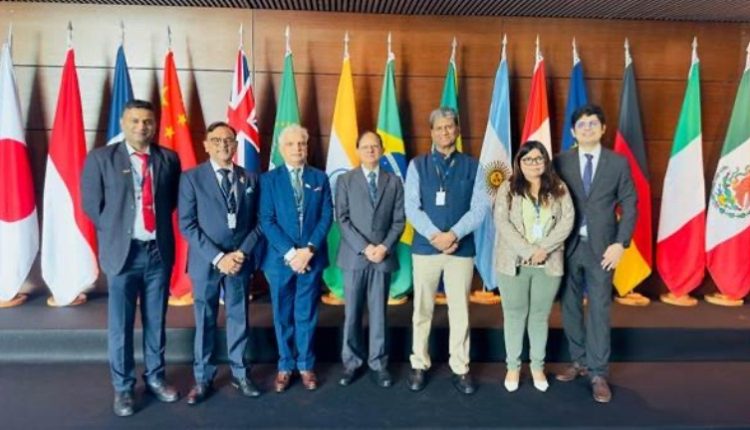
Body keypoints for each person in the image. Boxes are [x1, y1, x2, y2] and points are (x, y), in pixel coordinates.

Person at [81, 99, 182, 417]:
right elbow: (91, 205)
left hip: (157, 251)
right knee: (121, 324)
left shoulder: (169, 159)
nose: (142, 127)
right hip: (123, 254)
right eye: (135, 121)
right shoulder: (101, 158)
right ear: (123, 123)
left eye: (148, 121)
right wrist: (119, 230)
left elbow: (171, 202)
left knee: (156, 320)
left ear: (155, 125)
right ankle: (123, 388)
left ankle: (155, 377)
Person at [554, 104, 637, 403]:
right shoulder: (560, 161)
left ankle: (598, 372)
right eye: (581, 124)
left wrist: (620, 244)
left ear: (603, 129)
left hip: (604, 248)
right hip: (567, 245)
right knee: (570, 306)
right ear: (573, 131)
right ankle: (579, 361)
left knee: (599, 308)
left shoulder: (618, 163)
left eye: (592, 123)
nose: (587, 128)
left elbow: (630, 203)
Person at [404, 107, 489, 395]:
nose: (445, 132)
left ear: (457, 130)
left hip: (460, 249)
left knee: (460, 310)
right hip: (425, 248)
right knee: (422, 309)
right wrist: (435, 236)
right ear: (431, 132)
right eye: (439, 128)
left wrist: (453, 234)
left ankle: (460, 367)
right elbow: (411, 207)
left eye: (449, 126)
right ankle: (419, 364)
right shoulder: (417, 165)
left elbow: (479, 208)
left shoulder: (473, 166)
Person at [178, 122, 263, 404]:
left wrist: (241, 253)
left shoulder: (250, 178)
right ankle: (203, 378)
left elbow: (259, 222)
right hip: (206, 262)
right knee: (205, 320)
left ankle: (240, 373)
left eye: (228, 140)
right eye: (216, 140)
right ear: (206, 145)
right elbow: (187, 225)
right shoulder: (192, 178)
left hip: (239, 262)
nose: (223, 145)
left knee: (239, 317)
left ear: (236, 146)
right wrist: (218, 257)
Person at [494, 140, 574, 393]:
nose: (533, 163)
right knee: (514, 314)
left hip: (548, 264)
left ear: (545, 161)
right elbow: (502, 222)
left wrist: (543, 249)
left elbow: (567, 221)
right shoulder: (508, 188)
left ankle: (537, 366)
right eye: (527, 159)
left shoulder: (559, 187)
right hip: (513, 263)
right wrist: (528, 251)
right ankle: (513, 367)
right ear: (519, 162)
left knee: (539, 316)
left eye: (538, 159)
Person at [259, 124, 333, 393]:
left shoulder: (320, 178)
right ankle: (285, 365)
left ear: (307, 147)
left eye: (301, 143)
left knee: (306, 313)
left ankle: (305, 365)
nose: (297, 148)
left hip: (311, 258)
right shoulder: (268, 180)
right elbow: (266, 220)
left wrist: (308, 250)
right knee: (282, 315)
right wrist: (292, 254)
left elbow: (326, 216)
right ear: (281, 149)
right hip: (280, 261)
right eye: (291, 144)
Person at [335, 131, 405, 388]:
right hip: (355, 257)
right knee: (352, 313)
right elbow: (342, 219)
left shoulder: (394, 181)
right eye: (365, 147)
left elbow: (399, 220)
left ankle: (379, 363)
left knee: (379, 314)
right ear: (357, 150)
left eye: (375, 146)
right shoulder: (345, 180)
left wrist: (384, 247)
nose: (370, 150)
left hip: (382, 257)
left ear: (382, 149)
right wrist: (366, 248)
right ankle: (351, 363)